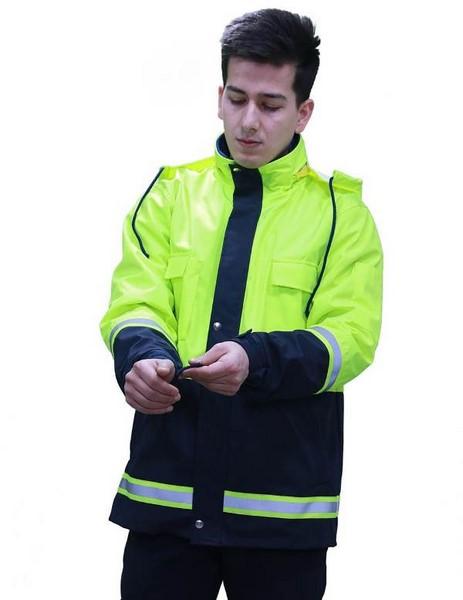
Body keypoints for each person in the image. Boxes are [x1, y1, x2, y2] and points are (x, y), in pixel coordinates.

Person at [100, 8, 383, 599]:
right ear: (219, 97)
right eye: (237, 98)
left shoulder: (342, 215)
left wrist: (256, 360)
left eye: (271, 104)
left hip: (278, 510)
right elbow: (134, 301)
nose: (249, 120)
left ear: (303, 111)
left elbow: (350, 338)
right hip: (167, 499)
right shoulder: (169, 195)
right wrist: (141, 357)